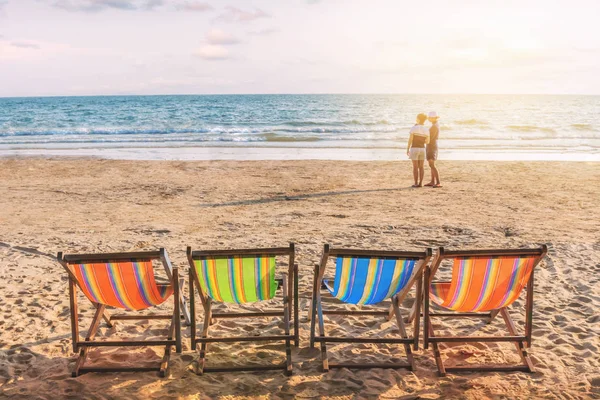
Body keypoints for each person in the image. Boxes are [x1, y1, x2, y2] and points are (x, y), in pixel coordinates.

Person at [406, 113, 430, 187]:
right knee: (421, 167)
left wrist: (407, 148)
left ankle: (416, 183)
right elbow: (427, 142)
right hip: (422, 149)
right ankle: (420, 183)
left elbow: (410, 139)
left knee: (415, 167)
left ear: (418, 119)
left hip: (414, 148)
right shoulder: (426, 129)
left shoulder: (414, 128)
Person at [425, 111, 442, 188]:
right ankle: (432, 181)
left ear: (434, 118)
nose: (429, 119)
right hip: (432, 145)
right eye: (429, 117)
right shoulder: (435, 125)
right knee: (431, 164)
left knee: (432, 164)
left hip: (432, 146)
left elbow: (431, 138)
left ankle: (438, 182)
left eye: (431, 117)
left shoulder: (434, 126)